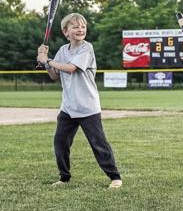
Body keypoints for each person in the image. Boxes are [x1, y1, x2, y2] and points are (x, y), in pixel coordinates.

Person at [36, 13, 122, 188]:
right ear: (65, 31)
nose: (80, 29)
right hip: (68, 107)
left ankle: (115, 177)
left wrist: (48, 60)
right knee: (60, 143)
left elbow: (71, 68)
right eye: (75, 27)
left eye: (82, 26)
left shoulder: (86, 48)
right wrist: (44, 63)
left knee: (98, 144)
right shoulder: (62, 50)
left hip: (87, 106)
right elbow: (55, 76)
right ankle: (64, 177)